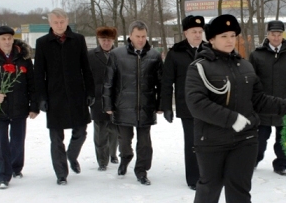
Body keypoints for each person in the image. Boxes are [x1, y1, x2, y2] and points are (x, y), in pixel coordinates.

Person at [185, 14, 286, 203]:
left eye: (232, 36)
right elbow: (196, 103)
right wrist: (231, 119)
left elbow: (258, 100)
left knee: (239, 189)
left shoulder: (245, 66)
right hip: (212, 140)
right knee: (210, 184)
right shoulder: (199, 68)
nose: (229, 41)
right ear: (211, 38)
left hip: (245, 139)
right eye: (223, 36)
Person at [34, 8, 95, 185]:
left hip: (77, 94)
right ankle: (61, 173)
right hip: (55, 95)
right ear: (50, 23)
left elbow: (86, 68)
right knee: (56, 137)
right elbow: (39, 73)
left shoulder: (78, 40)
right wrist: (42, 98)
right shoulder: (43, 43)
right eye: (55, 22)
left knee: (81, 132)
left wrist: (90, 91)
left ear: (67, 21)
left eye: (62, 22)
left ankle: (72, 155)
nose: (59, 25)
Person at [102, 20, 162, 186]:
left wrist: (160, 104)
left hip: (145, 106)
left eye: (143, 36)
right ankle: (125, 158)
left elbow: (161, 83)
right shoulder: (117, 55)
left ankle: (141, 171)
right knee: (125, 140)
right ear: (130, 36)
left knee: (144, 143)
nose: (141, 39)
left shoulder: (154, 56)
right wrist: (108, 104)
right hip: (123, 106)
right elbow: (109, 82)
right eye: (138, 36)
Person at [0, 26, 39, 189]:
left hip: (19, 107)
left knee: (17, 140)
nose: (7, 41)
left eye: (9, 38)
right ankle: (4, 175)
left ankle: (16, 167)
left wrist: (34, 106)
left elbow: (32, 83)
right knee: (1, 141)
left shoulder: (23, 58)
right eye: (3, 39)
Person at [249, 20, 286, 176]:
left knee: (283, 140)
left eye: (279, 34)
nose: (276, 37)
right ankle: (253, 161)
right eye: (273, 34)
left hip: (285, 105)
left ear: (283, 35)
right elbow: (250, 81)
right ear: (267, 35)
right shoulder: (256, 55)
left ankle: (281, 165)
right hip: (262, 106)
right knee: (259, 140)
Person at [161, 15, 205, 190]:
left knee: (207, 141)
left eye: (200, 32)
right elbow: (167, 81)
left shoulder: (209, 51)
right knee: (192, 142)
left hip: (208, 105)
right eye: (194, 32)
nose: (197, 35)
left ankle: (208, 174)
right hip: (186, 105)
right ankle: (194, 178)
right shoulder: (176, 53)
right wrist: (166, 106)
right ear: (186, 32)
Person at [88, 26, 119, 171]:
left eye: (109, 40)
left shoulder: (120, 54)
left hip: (116, 98)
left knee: (114, 129)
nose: (106, 43)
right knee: (100, 131)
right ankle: (102, 160)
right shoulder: (91, 56)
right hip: (98, 98)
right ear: (99, 40)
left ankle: (112, 153)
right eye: (103, 40)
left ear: (113, 40)